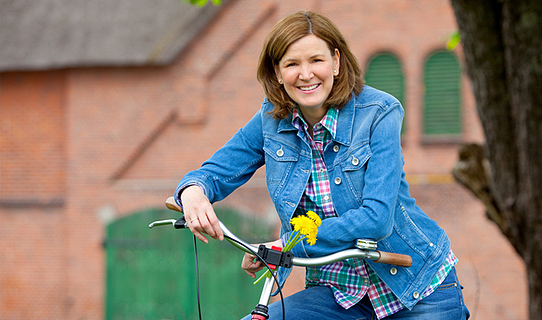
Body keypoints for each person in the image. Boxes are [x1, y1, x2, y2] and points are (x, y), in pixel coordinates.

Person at [175, 11, 470, 320]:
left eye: (316, 60)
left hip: (415, 288)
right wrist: (194, 192)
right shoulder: (270, 121)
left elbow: (377, 219)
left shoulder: (379, 113)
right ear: (276, 72)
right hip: (338, 293)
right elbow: (214, 172)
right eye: (291, 64)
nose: (306, 74)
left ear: (336, 62)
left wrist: (288, 245)